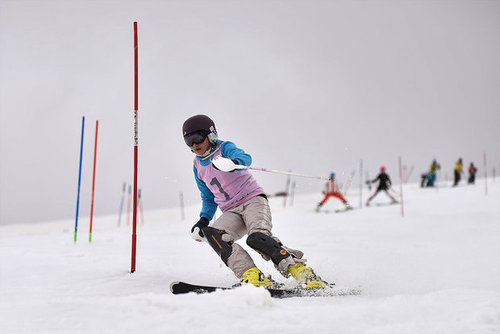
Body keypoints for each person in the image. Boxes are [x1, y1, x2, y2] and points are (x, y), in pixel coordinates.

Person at [183, 114, 327, 289]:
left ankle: (300, 270)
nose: (194, 144)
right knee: (213, 234)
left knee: (258, 238)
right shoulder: (197, 166)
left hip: (252, 200)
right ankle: (252, 275)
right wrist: (203, 220)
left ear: (210, 134)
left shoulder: (224, 148)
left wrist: (233, 162)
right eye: (188, 140)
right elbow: (208, 197)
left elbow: (246, 158)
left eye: (197, 138)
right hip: (230, 210)